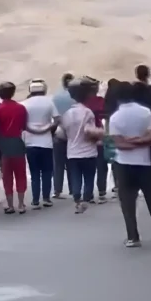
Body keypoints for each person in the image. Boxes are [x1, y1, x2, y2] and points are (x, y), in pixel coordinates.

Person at [110, 81, 151, 247]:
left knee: (128, 203)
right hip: (145, 163)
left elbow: (118, 144)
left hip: (123, 164)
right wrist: (140, 141)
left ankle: (133, 237)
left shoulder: (115, 118)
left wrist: (129, 142)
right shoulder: (145, 113)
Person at [55, 78, 103, 214]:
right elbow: (90, 131)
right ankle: (86, 199)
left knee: (75, 176)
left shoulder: (67, 114)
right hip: (89, 151)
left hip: (72, 151)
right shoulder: (88, 112)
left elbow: (61, 134)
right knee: (89, 176)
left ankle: (77, 198)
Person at [21, 79, 60, 210]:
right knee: (47, 172)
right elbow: (57, 120)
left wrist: (32, 129)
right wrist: (48, 129)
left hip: (30, 142)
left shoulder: (24, 104)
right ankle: (46, 198)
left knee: (35, 173)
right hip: (46, 142)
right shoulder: (50, 102)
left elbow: (22, 123)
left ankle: (35, 200)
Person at [0, 82, 29, 214]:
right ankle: (21, 203)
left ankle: (10, 205)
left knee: (7, 175)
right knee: (20, 174)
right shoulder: (20, 108)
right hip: (17, 142)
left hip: (4, 144)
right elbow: (24, 126)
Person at [82, 77, 108, 203]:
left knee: (88, 167)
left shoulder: (83, 103)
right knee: (101, 165)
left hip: (85, 137)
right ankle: (102, 191)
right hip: (99, 134)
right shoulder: (101, 101)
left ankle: (89, 193)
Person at [51, 73, 74, 199]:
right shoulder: (75, 98)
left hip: (59, 131)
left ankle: (57, 190)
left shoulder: (56, 97)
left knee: (58, 164)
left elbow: (54, 117)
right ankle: (73, 188)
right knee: (71, 163)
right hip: (72, 132)